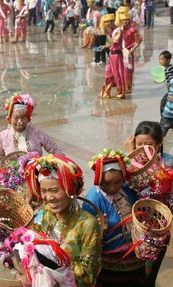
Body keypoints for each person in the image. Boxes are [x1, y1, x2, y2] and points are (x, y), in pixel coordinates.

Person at [25, 154, 102, 287]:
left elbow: (88, 275)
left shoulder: (87, 224)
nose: (49, 197)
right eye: (44, 191)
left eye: (54, 190)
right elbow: (32, 243)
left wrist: (54, 268)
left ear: (70, 189)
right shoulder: (45, 213)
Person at [83, 149, 146, 286]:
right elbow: (86, 240)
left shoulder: (128, 189)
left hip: (135, 257)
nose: (113, 188)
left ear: (123, 178)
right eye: (106, 183)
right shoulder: (92, 200)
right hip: (110, 265)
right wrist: (101, 230)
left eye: (117, 182)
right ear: (98, 180)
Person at [0, 93, 62, 172]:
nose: (20, 122)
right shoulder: (2, 137)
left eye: (23, 117)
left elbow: (56, 150)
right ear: (9, 119)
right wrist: (5, 173)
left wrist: (53, 164)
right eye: (16, 118)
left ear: (29, 119)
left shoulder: (37, 133)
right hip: (13, 178)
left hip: (35, 175)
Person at [98, 14, 125, 99]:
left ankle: (120, 93)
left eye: (107, 22)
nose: (106, 24)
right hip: (112, 55)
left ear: (112, 21)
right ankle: (106, 92)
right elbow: (112, 45)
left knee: (118, 75)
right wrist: (105, 46)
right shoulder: (112, 31)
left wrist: (106, 34)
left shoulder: (118, 30)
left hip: (117, 55)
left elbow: (113, 43)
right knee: (108, 74)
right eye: (105, 22)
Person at [121, 12, 142, 93]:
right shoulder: (120, 29)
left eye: (126, 20)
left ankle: (128, 87)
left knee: (128, 70)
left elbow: (139, 40)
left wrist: (132, 50)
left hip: (129, 52)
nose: (124, 21)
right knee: (121, 70)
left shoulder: (133, 29)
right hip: (120, 51)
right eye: (123, 20)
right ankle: (122, 85)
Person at [159, 50, 173, 115]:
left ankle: (164, 117)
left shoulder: (168, 69)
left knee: (163, 104)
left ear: (167, 60)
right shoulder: (168, 67)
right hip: (170, 91)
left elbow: (170, 80)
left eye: (162, 59)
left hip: (171, 91)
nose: (160, 61)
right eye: (159, 59)